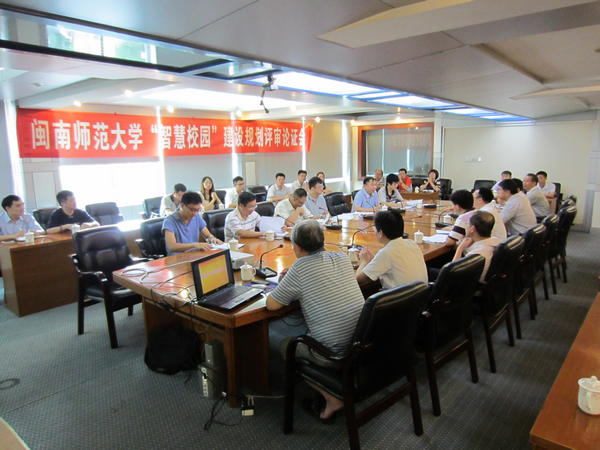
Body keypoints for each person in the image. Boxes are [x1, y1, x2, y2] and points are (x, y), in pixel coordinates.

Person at [265, 220, 364, 422]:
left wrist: (286, 282)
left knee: (286, 345)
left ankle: (331, 398)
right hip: (360, 342)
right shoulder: (342, 257)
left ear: (297, 247)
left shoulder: (300, 267)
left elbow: (271, 305)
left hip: (334, 353)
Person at [356, 209, 427, 290]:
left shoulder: (387, 252)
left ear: (381, 233)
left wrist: (364, 261)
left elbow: (359, 279)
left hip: (399, 297)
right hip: (420, 295)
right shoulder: (412, 243)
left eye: (374, 227)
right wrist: (375, 259)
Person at [453, 211, 501, 282]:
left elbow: (453, 273)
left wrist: (460, 248)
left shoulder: (475, 255)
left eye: (467, 223)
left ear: (472, 228)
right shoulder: (497, 241)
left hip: (469, 284)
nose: (466, 226)